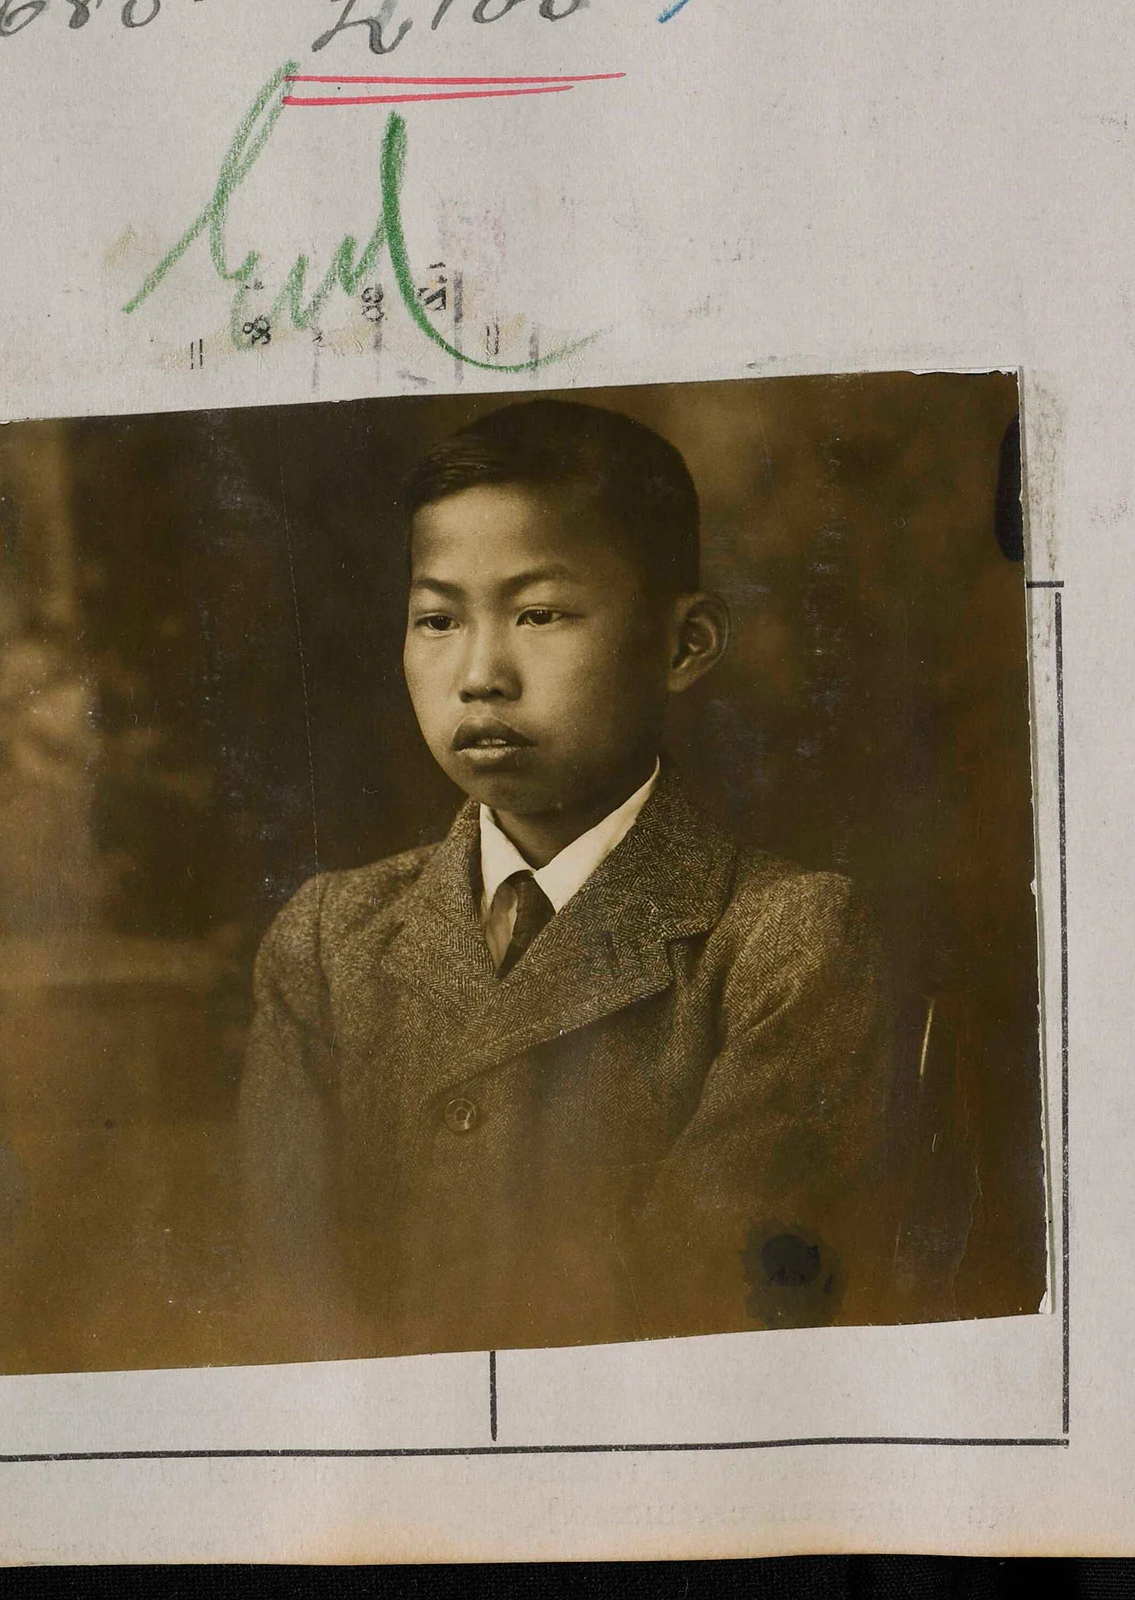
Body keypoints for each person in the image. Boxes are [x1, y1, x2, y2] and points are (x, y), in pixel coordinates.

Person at [235, 398, 893, 1363]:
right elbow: (280, 1299)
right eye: (437, 618)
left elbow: (705, 1309)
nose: (480, 673)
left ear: (685, 643)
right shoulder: (330, 939)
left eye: (539, 614)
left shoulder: (783, 942)